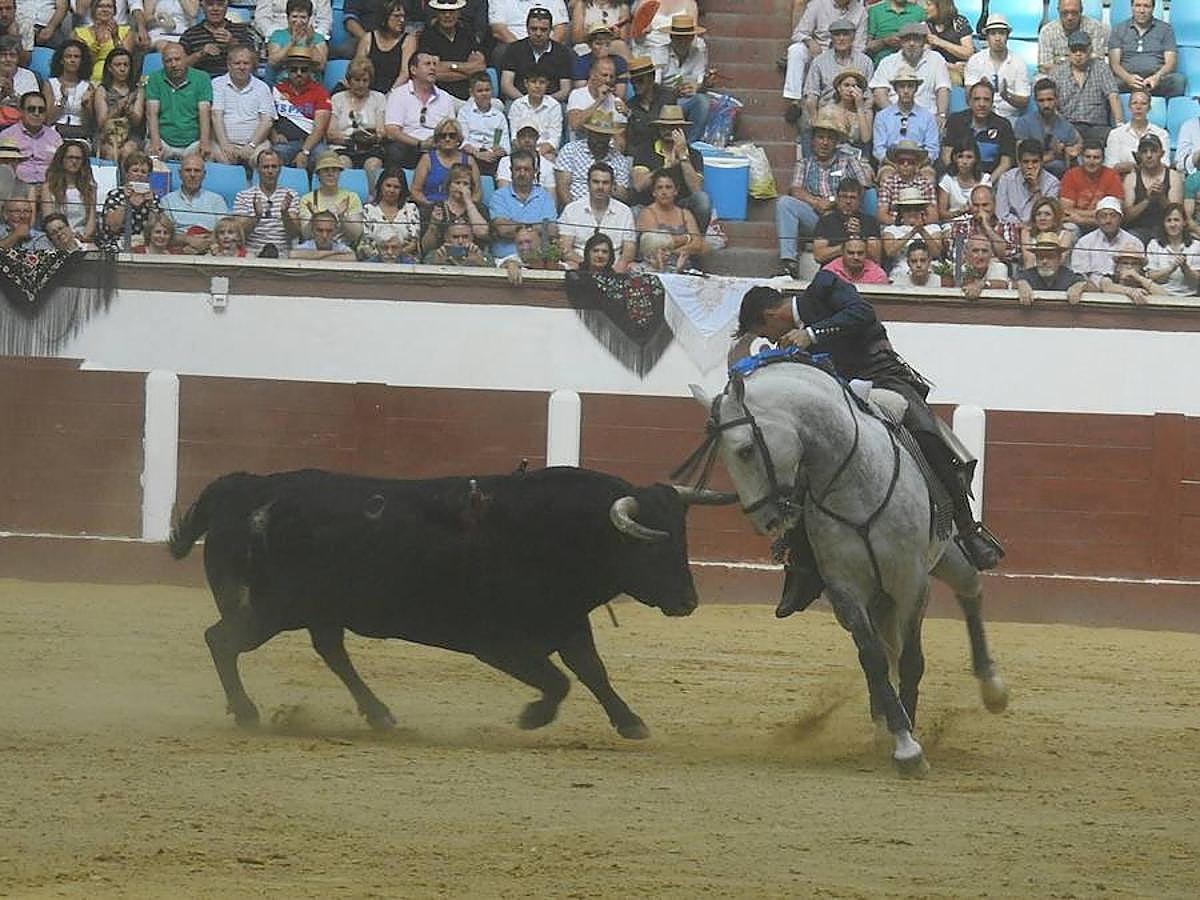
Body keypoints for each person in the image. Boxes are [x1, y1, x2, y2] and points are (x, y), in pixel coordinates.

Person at [734, 276, 1005, 618]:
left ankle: (967, 531)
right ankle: (802, 569)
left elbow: (862, 313)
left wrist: (812, 334)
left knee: (926, 434)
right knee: (802, 468)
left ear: (771, 315)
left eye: (765, 333)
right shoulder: (789, 342)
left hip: (884, 379)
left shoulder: (824, 287)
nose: (770, 340)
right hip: (838, 398)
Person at [776, 114, 871, 278]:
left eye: (830, 138)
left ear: (836, 142)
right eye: (820, 137)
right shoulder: (804, 164)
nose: (825, 143)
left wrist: (835, 202)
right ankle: (788, 263)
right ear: (813, 140)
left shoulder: (849, 161)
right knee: (785, 203)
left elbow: (863, 186)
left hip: (844, 218)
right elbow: (795, 189)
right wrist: (816, 202)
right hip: (816, 217)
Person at [630, 104, 710, 232]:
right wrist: (666, 167)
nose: (668, 130)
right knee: (635, 211)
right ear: (659, 128)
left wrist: (683, 156)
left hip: (681, 205)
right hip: (650, 203)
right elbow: (639, 185)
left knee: (703, 200)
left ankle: (696, 243)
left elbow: (697, 189)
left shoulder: (694, 154)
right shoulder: (644, 151)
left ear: (682, 129)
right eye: (665, 126)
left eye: (674, 127)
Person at [783, 0, 869, 116]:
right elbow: (798, 33)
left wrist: (845, 53)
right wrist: (810, 41)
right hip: (818, 50)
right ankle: (794, 100)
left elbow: (860, 45)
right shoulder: (817, 4)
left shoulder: (860, 11)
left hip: (846, 53)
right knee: (796, 50)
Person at [383, 50, 456, 169]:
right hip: (409, 147)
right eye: (427, 64)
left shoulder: (445, 98)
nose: (433, 68)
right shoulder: (398, 94)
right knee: (394, 150)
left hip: (438, 147)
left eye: (434, 64)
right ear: (413, 70)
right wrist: (420, 144)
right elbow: (392, 132)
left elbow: (452, 130)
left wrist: (437, 142)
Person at [557, 160, 635, 270]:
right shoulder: (572, 209)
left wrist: (616, 269)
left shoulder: (625, 212)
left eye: (605, 183)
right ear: (588, 184)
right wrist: (588, 265)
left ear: (613, 185)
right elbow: (565, 249)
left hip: (614, 269)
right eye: (596, 182)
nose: (600, 187)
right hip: (579, 267)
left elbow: (629, 250)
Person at [211, 43, 277, 166]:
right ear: (229, 65)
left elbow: (267, 121)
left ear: (252, 66)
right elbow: (216, 116)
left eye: (246, 63)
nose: (242, 67)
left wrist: (251, 145)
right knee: (218, 157)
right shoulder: (217, 84)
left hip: (256, 144)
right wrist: (225, 145)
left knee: (265, 160)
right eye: (237, 63)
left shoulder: (262, 87)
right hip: (222, 143)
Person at [800, 15, 873, 126]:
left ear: (853, 37)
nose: (841, 38)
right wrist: (816, 122)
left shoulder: (865, 62)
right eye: (837, 35)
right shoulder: (819, 62)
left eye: (846, 34)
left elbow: (869, 98)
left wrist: (861, 119)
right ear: (831, 38)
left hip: (855, 115)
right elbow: (811, 95)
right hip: (826, 114)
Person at [869, 23, 950, 122]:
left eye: (916, 39)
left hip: (928, 118)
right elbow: (879, 92)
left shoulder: (936, 59)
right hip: (894, 117)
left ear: (924, 41)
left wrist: (941, 115)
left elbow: (943, 89)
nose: (911, 43)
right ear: (901, 42)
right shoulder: (887, 62)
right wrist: (894, 116)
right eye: (907, 39)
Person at [146, 41, 213, 160]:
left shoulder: (202, 78)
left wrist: (204, 141)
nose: (173, 64)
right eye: (168, 61)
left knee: (211, 154)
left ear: (186, 59)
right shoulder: (154, 79)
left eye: (177, 59)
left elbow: (204, 113)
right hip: (163, 141)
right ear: (163, 63)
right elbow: (152, 114)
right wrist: (155, 141)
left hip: (194, 143)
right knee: (149, 156)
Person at [1052, 30, 1122, 145]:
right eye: (1074, 50)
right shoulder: (1057, 73)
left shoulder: (1101, 68)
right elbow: (1052, 104)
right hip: (1068, 126)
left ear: (1090, 50)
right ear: (1068, 51)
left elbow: (1113, 96)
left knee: (1115, 140)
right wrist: (1063, 126)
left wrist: (1120, 125)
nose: (1078, 54)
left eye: (1082, 50)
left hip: (1097, 127)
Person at [488, 148, 556, 259]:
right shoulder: (499, 196)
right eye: (518, 169)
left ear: (535, 171)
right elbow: (503, 229)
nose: (522, 173)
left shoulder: (545, 196)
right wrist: (535, 228)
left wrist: (515, 227)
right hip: (505, 259)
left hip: (538, 259)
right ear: (511, 171)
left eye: (527, 169)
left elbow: (551, 230)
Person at [233, 147, 303, 256]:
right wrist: (256, 217)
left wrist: (285, 214)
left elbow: (294, 234)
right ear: (257, 169)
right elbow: (239, 233)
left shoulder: (291, 195)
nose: (270, 171)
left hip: (282, 254)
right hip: (252, 254)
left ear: (280, 169)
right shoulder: (243, 196)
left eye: (274, 167)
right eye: (265, 167)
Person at [270, 45, 331, 168]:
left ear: (310, 71)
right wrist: (274, 135)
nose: (299, 73)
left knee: (324, 155)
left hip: (312, 145)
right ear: (287, 70)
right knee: (274, 155)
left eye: (303, 70)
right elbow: (267, 120)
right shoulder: (276, 90)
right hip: (285, 144)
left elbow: (319, 128)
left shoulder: (320, 92)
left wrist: (305, 151)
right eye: (294, 69)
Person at [1107, 0, 1184, 98]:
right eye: (1138, 5)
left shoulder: (1166, 29)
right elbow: (1114, 64)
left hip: (1156, 80)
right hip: (1126, 81)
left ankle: (1169, 111)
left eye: (1146, 6)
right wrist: (1127, 78)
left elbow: (1171, 62)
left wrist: (1157, 77)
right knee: (1107, 83)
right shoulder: (1119, 29)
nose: (1142, 10)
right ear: (1132, 7)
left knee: (1178, 81)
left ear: (1153, 8)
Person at [941, 78, 1014, 180]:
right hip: (958, 178)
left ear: (992, 102)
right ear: (969, 101)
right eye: (977, 99)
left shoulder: (1003, 125)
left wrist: (987, 183)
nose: (982, 104)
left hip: (991, 179)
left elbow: (1006, 163)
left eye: (986, 99)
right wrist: (959, 181)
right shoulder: (955, 121)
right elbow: (947, 155)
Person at [554, 111, 631, 206]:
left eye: (604, 135)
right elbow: (563, 188)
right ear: (588, 133)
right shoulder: (570, 150)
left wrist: (610, 185)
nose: (600, 139)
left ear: (610, 136)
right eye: (596, 134)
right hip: (574, 209)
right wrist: (574, 212)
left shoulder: (619, 160)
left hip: (608, 212)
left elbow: (623, 196)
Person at [498, 7, 573, 103]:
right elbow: (506, 85)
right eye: (533, 29)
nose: (538, 33)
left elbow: (565, 90)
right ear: (527, 29)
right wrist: (526, 102)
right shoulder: (514, 49)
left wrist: (543, 103)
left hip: (552, 103)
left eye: (543, 30)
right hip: (518, 101)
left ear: (550, 30)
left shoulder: (562, 52)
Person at [635, 168, 704, 273]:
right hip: (655, 268)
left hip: (684, 267)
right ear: (654, 192)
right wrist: (687, 238)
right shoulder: (647, 213)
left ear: (676, 191)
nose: (664, 192)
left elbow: (698, 244)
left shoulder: (685, 213)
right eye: (659, 188)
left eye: (668, 187)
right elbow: (655, 245)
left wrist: (673, 250)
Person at [871, 66, 938, 171]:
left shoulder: (928, 117)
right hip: (890, 163)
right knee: (886, 175)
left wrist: (918, 165)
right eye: (902, 86)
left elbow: (932, 149)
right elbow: (878, 149)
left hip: (920, 163)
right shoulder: (882, 116)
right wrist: (894, 164)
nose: (906, 91)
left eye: (910, 86)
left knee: (929, 176)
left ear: (916, 89)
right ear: (895, 89)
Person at [416, 0, 486, 101]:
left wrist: (450, 67)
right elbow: (434, 72)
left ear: (459, 13)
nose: (447, 15)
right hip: (439, 95)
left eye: (452, 11)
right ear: (436, 13)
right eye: (443, 12)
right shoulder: (427, 36)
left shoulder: (468, 32)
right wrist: (468, 70)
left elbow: (480, 67)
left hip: (470, 94)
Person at [1012, 78, 1082, 179]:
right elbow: (1020, 161)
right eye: (1041, 100)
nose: (1046, 105)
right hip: (1027, 175)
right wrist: (1053, 155)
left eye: (1050, 99)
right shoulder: (1023, 123)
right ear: (1035, 101)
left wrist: (1068, 152)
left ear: (1057, 99)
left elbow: (1073, 159)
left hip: (1059, 178)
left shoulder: (1066, 126)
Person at [963, 15, 1028, 122]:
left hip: (1010, 118)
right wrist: (983, 89)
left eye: (1001, 33)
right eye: (993, 34)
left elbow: (1024, 101)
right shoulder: (975, 60)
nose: (997, 38)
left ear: (1007, 36)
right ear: (987, 37)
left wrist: (1006, 95)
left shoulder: (1019, 63)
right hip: (981, 117)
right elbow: (968, 96)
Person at [160, 152, 229, 251]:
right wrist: (188, 240)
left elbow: (225, 230)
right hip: (177, 251)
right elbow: (163, 234)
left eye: (197, 171)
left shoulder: (217, 200)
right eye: (188, 170)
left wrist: (205, 243)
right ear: (180, 174)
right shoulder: (167, 200)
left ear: (204, 175)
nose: (192, 174)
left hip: (211, 250)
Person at [1122, 132, 1182, 244]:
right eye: (1144, 152)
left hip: (1166, 230)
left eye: (1153, 151)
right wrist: (1147, 200)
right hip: (1137, 230)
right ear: (1139, 155)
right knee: (1129, 240)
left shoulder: (1173, 176)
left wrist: (1161, 197)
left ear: (1162, 153)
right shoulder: (1131, 178)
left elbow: (1177, 216)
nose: (1149, 155)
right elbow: (1126, 217)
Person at [1069, 195, 1142, 284]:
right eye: (1103, 216)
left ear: (1120, 219)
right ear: (1097, 219)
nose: (1108, 220)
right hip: (1091, 293)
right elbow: (1079, 274)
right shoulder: (1084, 243)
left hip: (1125, 291)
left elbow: (1138, 273)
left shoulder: (1134, 242)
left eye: (1113, 216)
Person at [99, 151, 162, 252]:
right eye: (135, 170)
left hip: (143, 245)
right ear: (127, 173)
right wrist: (127, 202)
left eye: (143, 172)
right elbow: (112, 227)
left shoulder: (153, 198)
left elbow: (157, 230)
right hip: (117, 244)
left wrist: (151, 204)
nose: (139, 174)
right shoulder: (115, 194)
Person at [420, 161, 489, 253]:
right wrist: (433, 224)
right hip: (440, 259)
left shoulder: (480, 209)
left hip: (473, 258)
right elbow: (425, 248)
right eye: (457, 183)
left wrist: (468, 202)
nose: (461, 187)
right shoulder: (434, 208)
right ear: (449, 185)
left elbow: (482, 233)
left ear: (471, 188)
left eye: (465, 184)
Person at [659, 14, 708, 143]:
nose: (682, 42)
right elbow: (654, 86)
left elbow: (699, 80)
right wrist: (673, 92)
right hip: (663, 100)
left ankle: (691, 144)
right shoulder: (660, 53)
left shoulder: (698, 53)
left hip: (685, 99)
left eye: (686, 38)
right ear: (671, 37)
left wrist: (695, 87)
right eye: (678, 38)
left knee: (702, 101)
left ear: (692, 37)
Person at [948, 183, 1021, 267]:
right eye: (976, 205)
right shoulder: (961, 226)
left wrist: (986, 226)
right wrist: (992, 259)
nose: (980, 209)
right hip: (968, 272)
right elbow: (956, 256)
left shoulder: (1007, 226)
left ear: (994, 205)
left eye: (985, 205)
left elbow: (1008, 254)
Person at [812, 176, 881, 264]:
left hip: (862, 270)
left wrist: (859, 236)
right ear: (837, 198)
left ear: (859, 200)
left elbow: (876, 259)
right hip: (833, 270)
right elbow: (819, 256)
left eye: (852, 197)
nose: (848, 201)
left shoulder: (871, 222)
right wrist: (846, 246)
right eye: (844, 197)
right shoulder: (826, 221)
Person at [180, 0, 259, 77]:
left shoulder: (241, 31)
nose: (215, 9)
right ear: (202, 6)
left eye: (220, 4)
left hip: (235, 84)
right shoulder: (190, 34)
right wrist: (200, 54)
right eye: (210, 4)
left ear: (226, 7)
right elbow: (179, 66)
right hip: (203, 84)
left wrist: (233, 44)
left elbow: (255, 63)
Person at [299, 150, 364, 243]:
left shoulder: (351, 197)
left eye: (334, 169)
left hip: (343, 249)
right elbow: (306, 235)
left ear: (339, 173)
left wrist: (342, 218)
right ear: (318, 174)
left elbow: (356, 235)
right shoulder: (307, 199)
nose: (330, 174)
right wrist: (315, 218)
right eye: (326, 170)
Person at [38, 139, 95, 243]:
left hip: (81, 238)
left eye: (78, 158)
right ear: (62, 159)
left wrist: (83, 236)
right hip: (57, 238)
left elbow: (91, 220)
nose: (74, 161)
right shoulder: (48, 187)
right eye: (70, 157)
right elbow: (48, 219)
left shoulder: (90, 188)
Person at [1060, 138, 1123, 232]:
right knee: (1069, 228)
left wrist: (1082, 220)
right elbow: (1066, 211)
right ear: (1081, 158)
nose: (1091, 161)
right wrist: (1099, 214)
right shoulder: (1071, 175)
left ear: (1103, 159)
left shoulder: (1112, 176)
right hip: (1077, 224)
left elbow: (1114, 214)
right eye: (1088, 157)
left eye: (1096, 157)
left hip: (1103, 226)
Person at [93, 47, 144, 161]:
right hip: (106, 135)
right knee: (111, 152)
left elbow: (137, 121)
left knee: (128, 150)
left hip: (131, 134)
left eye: (126, 65)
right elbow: (101, 122)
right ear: (110, 68)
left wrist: (129, 111)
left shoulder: (137, 90)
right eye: (118, 65)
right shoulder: (102, 90)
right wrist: (118, 108)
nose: (122, 69)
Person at [0, 91, 61, 186]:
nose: (36, 113)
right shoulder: (7, 135)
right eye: (31, 109)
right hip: (17, 188)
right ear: (21, 111)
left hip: (49, 187)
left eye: (41, 110)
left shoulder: (55, 137)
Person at [354, 0, 415, 95]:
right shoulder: (368, 38)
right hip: (368, 91)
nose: (402, 20)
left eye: (403, 16)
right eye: (396, 16)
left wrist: (389, 94)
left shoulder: (409, 40)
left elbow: (405, 74)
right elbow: (357, 69)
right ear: (384, 17)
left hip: (395, 91)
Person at [456, 70, 510, 177]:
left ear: (492, 91)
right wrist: (478, 154)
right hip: (472, 155)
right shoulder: (464, 113)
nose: (484, 94)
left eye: (487, 90)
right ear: (472, 93)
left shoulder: (499, 116)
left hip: (493, 157)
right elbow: (462, 142)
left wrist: (498, 151)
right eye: (480, 91)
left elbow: (505, 145)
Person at [411, 117, 476, 205]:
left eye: (452, 136)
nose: (447, 139)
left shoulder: (469, 161)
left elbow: (477, 193)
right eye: (443, 136)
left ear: (458, 138)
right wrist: (431, 206)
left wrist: (466, 208)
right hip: (431, 208)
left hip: (462, 210)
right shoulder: (427, 159)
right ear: (437, 139)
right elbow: (415, 191)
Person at [882, 185, 944, 278]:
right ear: (901, 211)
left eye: (916, 208)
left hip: (930, 271)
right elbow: (890, 252)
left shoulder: (933, 228)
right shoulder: (891, 230)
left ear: (921, 210)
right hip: (901, 271)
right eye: (907, 209)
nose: (912, 212)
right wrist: (912, 232)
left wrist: (922, 231)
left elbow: (936, 253)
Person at [994, 139, 1060, 225]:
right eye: (1026, 162)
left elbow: (1048, 216)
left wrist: (1036, 188)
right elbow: (1002, 214)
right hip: (1013, 227)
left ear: (1042, 161)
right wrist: (1021, 226)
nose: (1030, 166)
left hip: (1040, 229)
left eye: (1035, 162)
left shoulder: (1052, 183)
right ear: (1019, 162)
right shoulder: (1006, 179)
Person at [1105, 89, 1169, 177]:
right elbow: (1110, 166)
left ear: (1149, 108)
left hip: (1154, 180)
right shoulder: (1116, 134)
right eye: (1134, 103)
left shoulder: (1161, 134)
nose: (1138, 107)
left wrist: (1132, 166)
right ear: (1129, 107)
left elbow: (1165, 165)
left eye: (1143, 103)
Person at [360, 168, 421, 259]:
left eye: (396, 187)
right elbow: (365, 242)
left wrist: (395, 255)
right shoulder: (368, 209)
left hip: (405, 260)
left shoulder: (411, 208)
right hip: (375, 260)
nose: (391, 190)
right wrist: (383, 256)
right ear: (381, 186)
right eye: (388, 186)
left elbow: (413, 243)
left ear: (402, 189)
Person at [1014, 232, 1090, 305]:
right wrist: (1020, 284)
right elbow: (1012, 283)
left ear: (1059, 258)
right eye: (1040, 257)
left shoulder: (1068, 275)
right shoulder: (1027, 275)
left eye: (1050, 257)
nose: (1044, 261)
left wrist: (1080, 286)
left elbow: (1092, 287)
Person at [507, 66, 562, 165]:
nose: (537, 86)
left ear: (547, 84)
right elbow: (515, 138)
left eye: (542, 82)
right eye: (533, 82)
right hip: (521, 151)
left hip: (545, 152)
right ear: (526, 84)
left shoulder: (554, 106)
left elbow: (554, 139)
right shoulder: (517, 105)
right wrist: (528, 155)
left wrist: (536, 155)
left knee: (550, 160)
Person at [624, 55, 674, 162]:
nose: (635, 85)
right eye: (633, 81)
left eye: (640, 80)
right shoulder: (630, 105)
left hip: (665, 150)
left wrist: (633, 116)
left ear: (652, 78)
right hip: (641, 155)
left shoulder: (667, 97)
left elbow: (661, 128)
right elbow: (631, 141)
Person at [42, 39, 95, 141]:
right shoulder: (50, 84)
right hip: (54, 133)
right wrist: (63, 100)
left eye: (76, 57)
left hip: (79, 135)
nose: (72, 60)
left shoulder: (88, 87)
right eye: (68, 56)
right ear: (61, 60)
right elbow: (47, 120)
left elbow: (89, 124)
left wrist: (85, 105)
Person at [265, 0, 328, 84]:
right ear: (288, 17)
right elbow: (273, 62)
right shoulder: (277, 35)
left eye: (303, 17)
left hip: (311, 86)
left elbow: (321, 65)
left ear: (309, 18)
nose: (298, 21)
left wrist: (310, 42)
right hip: (283, 86)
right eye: (294, 16)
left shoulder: (318, 38)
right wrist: (292, 42)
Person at [1038, 0, 1109, 74]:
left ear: (1081, 10)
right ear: (1058, 11)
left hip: (1088, 75)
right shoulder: (1047, 31)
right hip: (1056, 76)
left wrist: (1061, 60)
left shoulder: (1095, 27)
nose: (1069, 17)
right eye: (1065, 13)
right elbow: (1044, 66)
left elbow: (1098, 61)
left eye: (1074, 13)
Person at [490, 0, 569, 67]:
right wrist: (522, 49)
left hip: (547, 43)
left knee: (568, 53)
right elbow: (498, 30)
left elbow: (561, 29)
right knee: (501, 52)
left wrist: (549, 49)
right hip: (513, 44)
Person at [566, 54, 626, 142]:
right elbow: (575, 125)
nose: (608, 80)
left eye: (611, 76)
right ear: (592, 75)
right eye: (604, 75)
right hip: (581, 148)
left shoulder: (616, 101)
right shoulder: (578, 94)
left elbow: (620, 140)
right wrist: (599, 101)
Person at [820, 69, 874, 165]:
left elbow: (866, 138)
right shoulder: (827, 111)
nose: (850, 90)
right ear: (839, 88)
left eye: (854, 86)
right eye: (846, 85)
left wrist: (859, 108)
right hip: (833, 159)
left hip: (859, 160)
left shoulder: (866, 113)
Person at [876, 138, 936, 226]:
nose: (905, 164)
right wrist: (901, 224)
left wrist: (918, 224)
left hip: (921, 226)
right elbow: (881, 215)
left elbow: (933, 215)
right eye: (901, 161)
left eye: (910, 162)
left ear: (917, 164)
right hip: (894, 227)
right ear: (896, 163)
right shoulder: (888, 183)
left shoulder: (926, 184)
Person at [73, 0, 133, 80]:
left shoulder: (126, 31)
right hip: (90, 80)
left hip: (117, 80)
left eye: (109, 6)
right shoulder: (80, 33)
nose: (105, 10)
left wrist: (115, 38)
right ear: (93, 10)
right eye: (100, 6)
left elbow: (125, 61)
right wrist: (96, 43)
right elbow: (81, 64)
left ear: (114, 11)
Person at [937, 136, 989, 220]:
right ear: (954, 158)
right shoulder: (947, 180)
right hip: (953, 223)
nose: (964, 162)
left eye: (969, 157)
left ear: (976, 159)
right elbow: (942, 213)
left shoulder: (985, 179)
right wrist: (959, 212)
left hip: (980, 221)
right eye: (960, 157)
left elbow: (990, 209)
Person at [922, 0, 972, 82]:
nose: (925, 8)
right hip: (941, 69)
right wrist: (951, 66)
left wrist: (940, 42)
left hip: (963, 69)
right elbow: (925, 58)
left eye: (929, 5)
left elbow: (968, 53)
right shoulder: (926, 26)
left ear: (941, 6)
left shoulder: (959, 21)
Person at [496, 123, 556, 191]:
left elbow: (551, 198)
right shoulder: (505, 162)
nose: (527, 140)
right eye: (523, 136)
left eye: (531, 136)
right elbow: (503, 192)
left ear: (537, 138)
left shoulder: (548, 166)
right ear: (517, 139)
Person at [1020, 196, 1073, 269]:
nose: (1042, 218)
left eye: (1047, 214)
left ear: (1055, 217)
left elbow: (1059, 261)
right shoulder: (1026, 233)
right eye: (1038, 214)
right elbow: (1028, 261)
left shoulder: (1066, 234)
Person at [866, 0, 925, 65]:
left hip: (912, 64)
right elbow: (868, 47)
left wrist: (907, 41)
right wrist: (885, 41)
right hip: (882, 65)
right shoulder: (875, 11)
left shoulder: (920, 11)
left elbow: (926, 43)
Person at [1103, 242, 1167, 302]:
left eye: (1135, 264)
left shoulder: (1145, 280)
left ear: (1140, 267)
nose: (1129, 267)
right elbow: (1106, 286)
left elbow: (1165, 295)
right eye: (1125, 263)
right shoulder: (1111, 278)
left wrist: (1139, 278)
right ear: (1118, 267)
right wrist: (1131, 291)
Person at [571, 19, 628, 87]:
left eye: (607, 44)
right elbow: (580, 89)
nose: (602, 47)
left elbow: (620, 93)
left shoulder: (619, 62)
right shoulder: (581, 62)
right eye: (598, 44)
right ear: (590, 45)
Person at [255, 0, 332, 47]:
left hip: (311, 37)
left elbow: (325, 20)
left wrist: (315, 37)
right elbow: (262, 18)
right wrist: (278, 36)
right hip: (277, 38)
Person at [292, 208, 358, 260]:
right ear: (312, 230)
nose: (324, 235)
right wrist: (335, 254)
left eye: (329, 231)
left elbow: (353, 257)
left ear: (335, 231)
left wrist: (313, 256)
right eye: (320, 231)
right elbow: (293, 255)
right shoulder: (303, 247)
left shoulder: (342, 249)